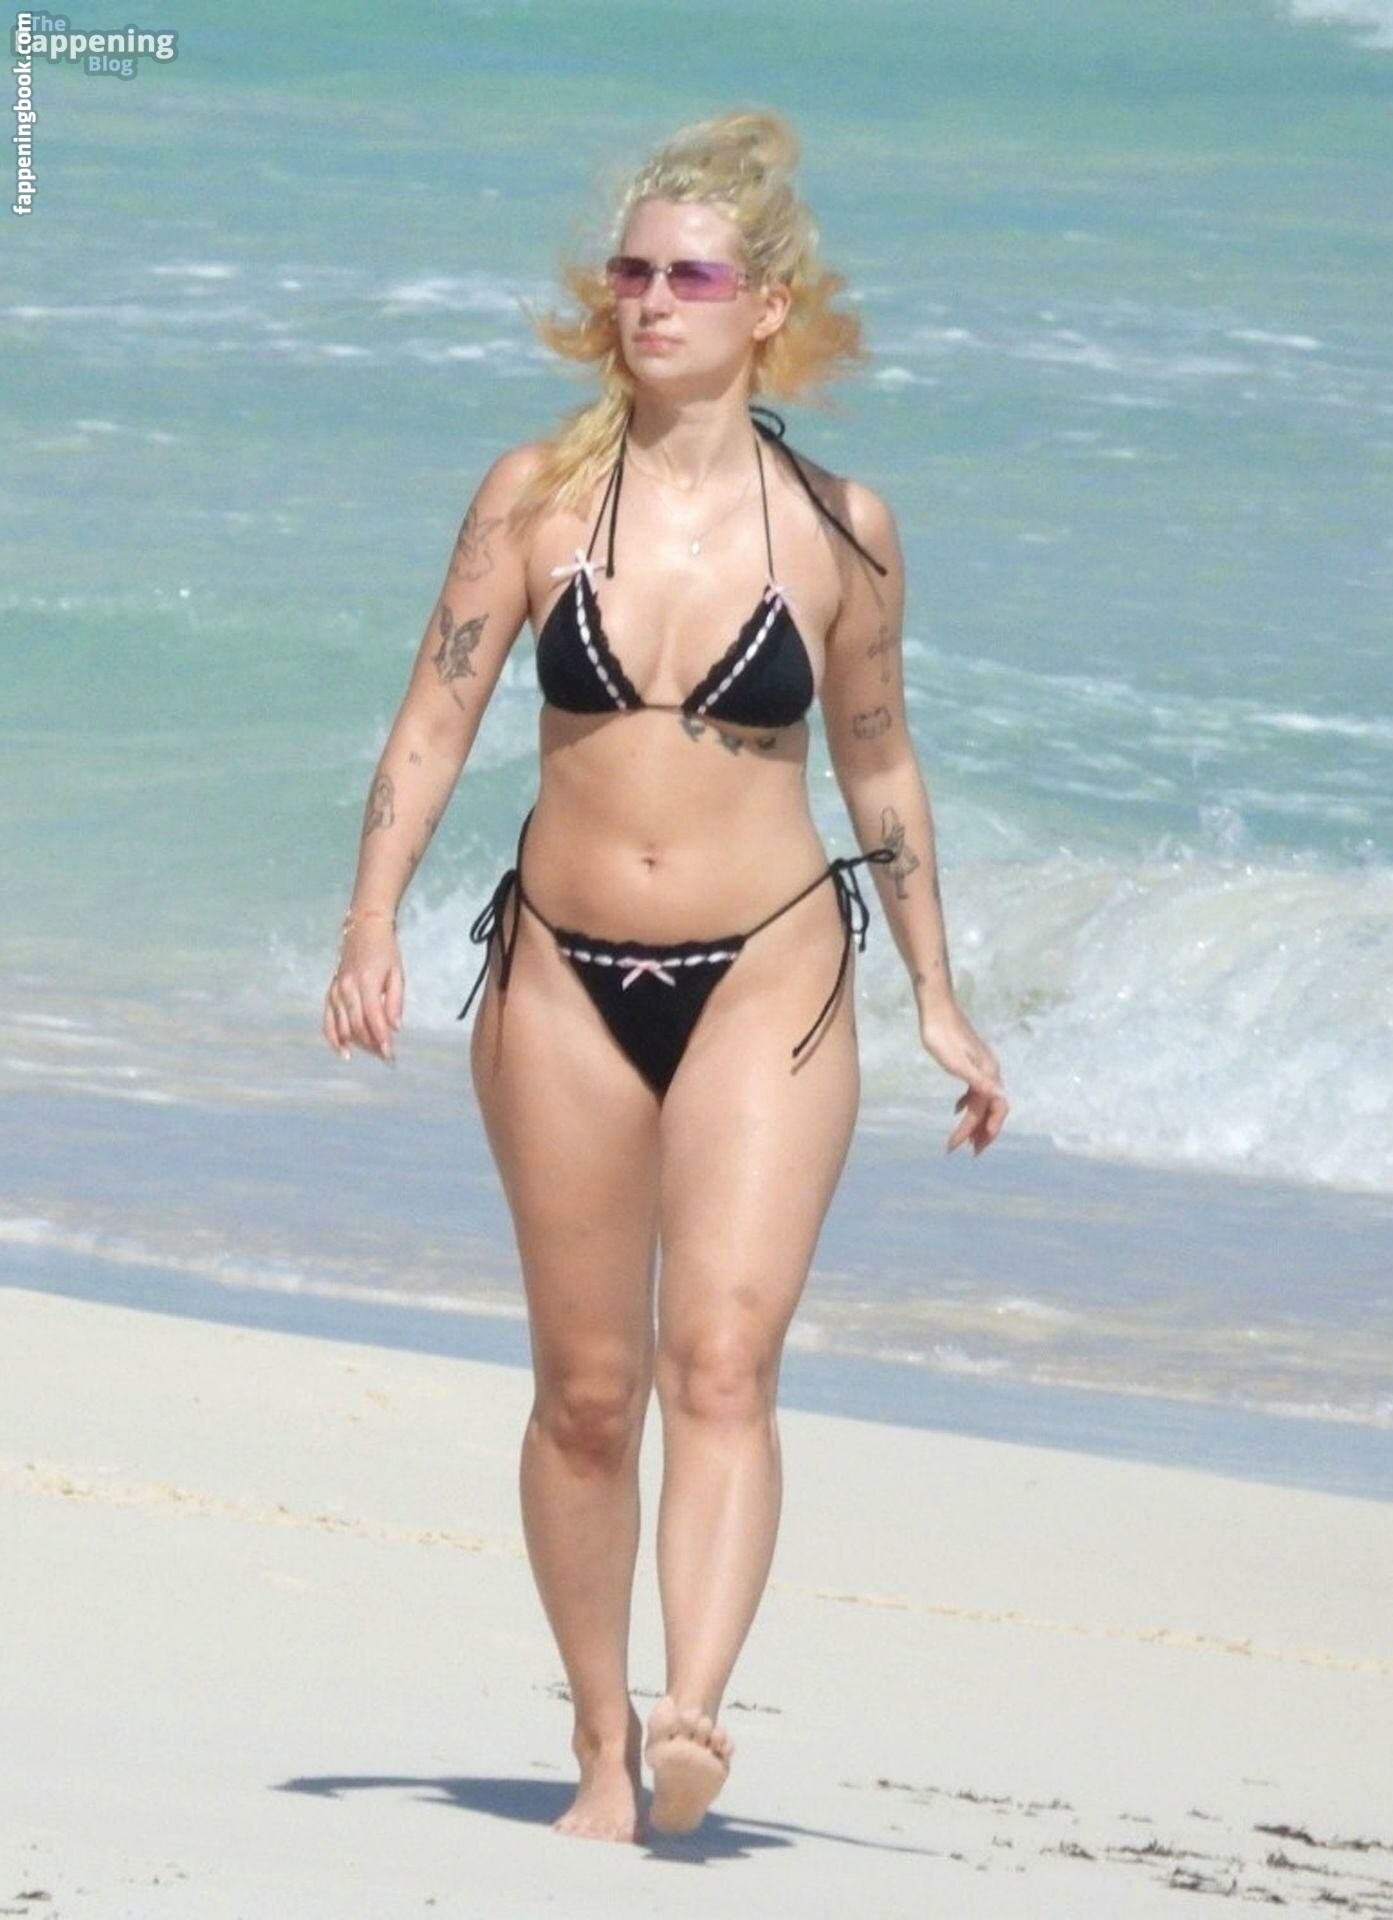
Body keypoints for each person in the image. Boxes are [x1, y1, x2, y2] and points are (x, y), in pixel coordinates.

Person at [323, 108, 1008, 1845]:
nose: (647, 300)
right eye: (629, 272)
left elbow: (877, 761)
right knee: (586, 1394)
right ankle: (599, 1742)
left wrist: (935, 994)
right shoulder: (535, 498)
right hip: (557, 978)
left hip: (769, 977)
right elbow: (432, 718)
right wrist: (368, 924)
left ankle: (695, 1705)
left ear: (764, 306)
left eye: (688, 277)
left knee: (719, 1362)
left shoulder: (841, 529)